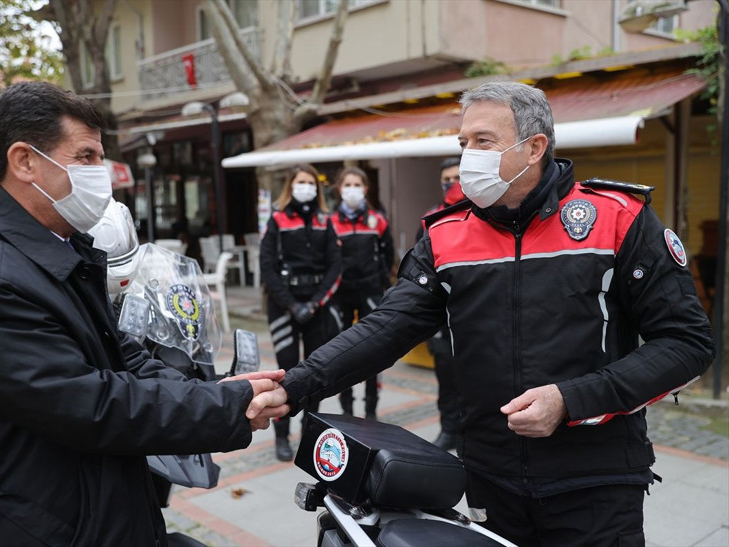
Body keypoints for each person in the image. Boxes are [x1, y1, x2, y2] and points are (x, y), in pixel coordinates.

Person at [278, 81, 715, 545]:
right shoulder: (445, 236)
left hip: (597, 481)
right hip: (490, 478)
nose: (468, 156)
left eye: (483, 142)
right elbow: (387, 328)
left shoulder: (617, 218)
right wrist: (294, 386)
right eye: (463, 143)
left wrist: (571, 398)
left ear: (534, 148)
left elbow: (687, 343)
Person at [0, 81, 287, 546]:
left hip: (78, 510)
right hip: (18, 524)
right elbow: (89, 405)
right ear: (24, 161)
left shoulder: (51, 249)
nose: (99, 173)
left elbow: (119, 353)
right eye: (85, 157)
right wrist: (224, 408)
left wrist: (209, 391)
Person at [259, 163, 342, 461]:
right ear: (291, 186)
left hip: (317, 304)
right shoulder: (278, 219)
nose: (305, 187)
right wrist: (292, 304)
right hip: (284, 305)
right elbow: (266, 267)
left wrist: (316, 303)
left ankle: (311, 436)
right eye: (300, 182)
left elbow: (336, 265)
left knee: (316, 371)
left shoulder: (324, 220)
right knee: (285, 371)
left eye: (310, 182)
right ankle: (282, 435)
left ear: (316, 188)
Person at [330, 166, 394, 420]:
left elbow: (388, 256)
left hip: (370, 291)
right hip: (340, 295)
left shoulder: (378, 220)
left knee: (372, 350)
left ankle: (371, 411)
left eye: (357, 185)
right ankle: (346, 410)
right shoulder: (330, 222)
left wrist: (381, 282)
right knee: (342, 352)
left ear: (365, 189)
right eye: (348, 185)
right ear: (339, 189)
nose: (352, 190)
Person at [414, 157, 465, 450]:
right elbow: (421, 273)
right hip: (441, 317)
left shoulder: (486, 212)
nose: (451, 183)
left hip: (475, 315)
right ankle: (449, 430)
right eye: (446, 179)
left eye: (457, 177)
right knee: (446, 382)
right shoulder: (430, 219)